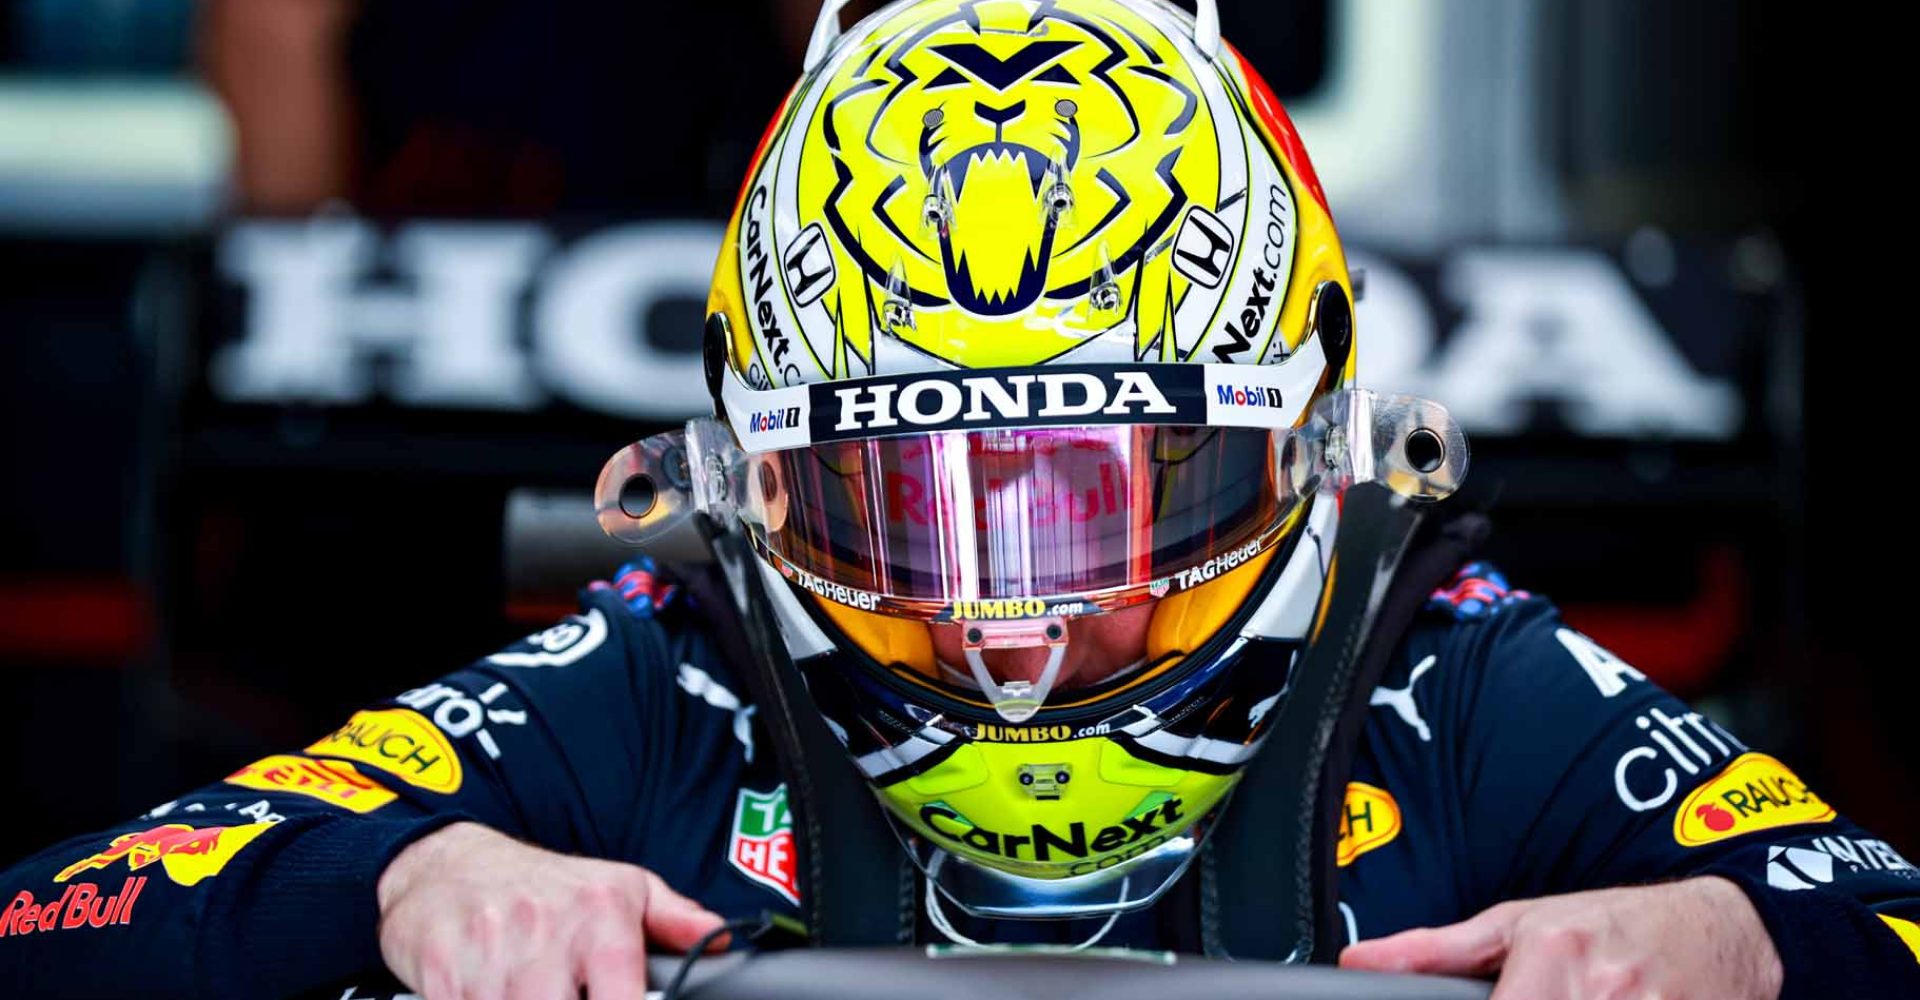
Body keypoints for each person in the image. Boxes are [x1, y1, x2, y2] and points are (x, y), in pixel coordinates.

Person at [5, 1, 1918, 997]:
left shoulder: (1463, 688)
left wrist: (1748, 936)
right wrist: (403, 876)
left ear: (1314, 454)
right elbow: (57, 920)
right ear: (743, 497)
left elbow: (1884, 917)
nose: (1009, 635)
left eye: (1094, 500)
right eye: (909, 515)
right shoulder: (663, 676)